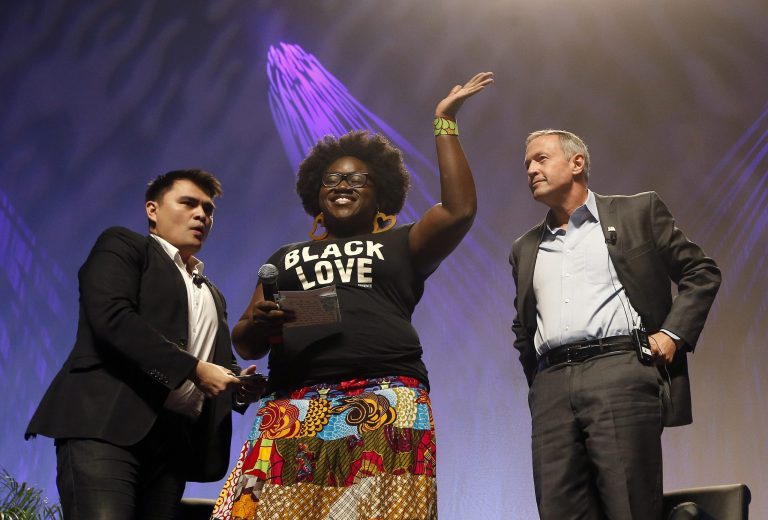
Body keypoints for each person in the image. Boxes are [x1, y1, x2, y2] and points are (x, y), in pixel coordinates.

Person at [211, 72, 493, 520]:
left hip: (385, 396)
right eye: (331, 179)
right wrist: (260, 322)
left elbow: (460, 210)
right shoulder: (285, 257)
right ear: (315, 194)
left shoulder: (402, 243)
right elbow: (245, 343)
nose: (342, 184)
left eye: (357, 178)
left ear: (381, 193)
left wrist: (445, 121)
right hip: (294, 402)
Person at [25, 169, 263, 520]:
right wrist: (194, 370)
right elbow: (112, 318)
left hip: (173, 445)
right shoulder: (123, 245)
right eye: (189, 203)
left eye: (208, 209)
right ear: (153, 210)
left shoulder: (213, 294)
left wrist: (237, 386)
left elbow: (215, 362)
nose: (201, 215)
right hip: (105, 427)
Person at [510, 130, 721, 519]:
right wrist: (540, 384)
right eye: (527, 164)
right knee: (559, 510)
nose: (531, 170)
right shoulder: (524, 248)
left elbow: (701, 272)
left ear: (577, 163)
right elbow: (523, 328)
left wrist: (672, 335)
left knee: (629, 505)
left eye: (541, 159)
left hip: (619, 371)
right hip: (552, 387)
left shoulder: (637, 212)